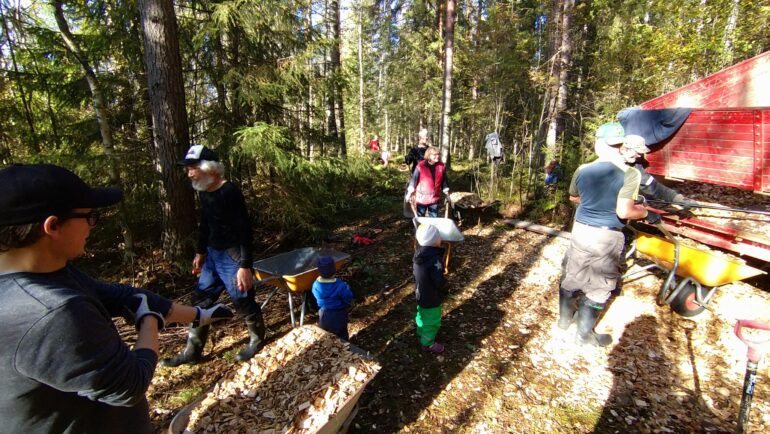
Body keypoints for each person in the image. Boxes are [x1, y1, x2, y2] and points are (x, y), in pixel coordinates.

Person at [0, 163, 233, 433]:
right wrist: (149, 321)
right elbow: (130, 384)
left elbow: (123, 296)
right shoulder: (52, 312)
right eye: (89, 217)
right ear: (52, 226)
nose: (92, 225)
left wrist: (200, 315)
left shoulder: (48, 272)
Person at [162, 144, 266, 366]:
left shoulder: (230, 192)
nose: (189, 173)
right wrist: (200, 251)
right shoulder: (204, 191)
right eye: (187, 169)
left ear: (209, 168)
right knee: (200, 299)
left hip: (233, 256)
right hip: (212, 256)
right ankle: (193, 351)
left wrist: (245, 265)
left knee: (242, 299)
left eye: (193, 168)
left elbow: (244, 230)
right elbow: (205, 224)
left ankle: (257, 341)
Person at [558, 123, 659, 347]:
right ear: (620, 145)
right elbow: (624, 211)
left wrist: (594, 203)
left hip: (581, 229)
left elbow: (574, 198)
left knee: (573, 274)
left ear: (599, 143)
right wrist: (645, 213)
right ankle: (583, 337)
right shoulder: (629, 173)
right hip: (606, 236)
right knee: (600, 287)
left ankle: (564, 322)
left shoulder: (583, 169)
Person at [413, 223, 448, 354]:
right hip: (431, 296)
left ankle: (421, 331)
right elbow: (437, 279)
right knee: (433, 320)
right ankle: (427, 343)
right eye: (438, 236)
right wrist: (445, 287)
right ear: (434, 240)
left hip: (420, 292)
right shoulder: (434, 259)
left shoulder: (419, 254)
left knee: (421, 312)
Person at [311, 256, 353, 340]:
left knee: (327, 334)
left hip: (323, 313)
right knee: (341, 334)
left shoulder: (315, 284)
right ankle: (344, 350)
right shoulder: (340, 285)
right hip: (338, 313)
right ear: (334, 271)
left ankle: (331, 348)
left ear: (319, 272)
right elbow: (348, 297)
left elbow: (315, 294)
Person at [405, 146, 450, 217]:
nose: (437, 156)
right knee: (421, 218)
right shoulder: (421, 165)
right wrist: (409, 194)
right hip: (422, 198)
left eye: (438, 154)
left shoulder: (441, 166)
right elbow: (414, 180)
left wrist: (447, 194)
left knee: (433, 219)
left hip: (434, 199)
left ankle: (432, 228)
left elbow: (444, 181)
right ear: (429, 155)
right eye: (435, 155)